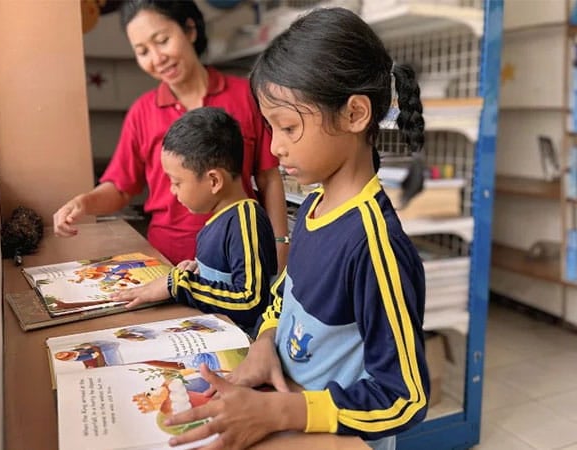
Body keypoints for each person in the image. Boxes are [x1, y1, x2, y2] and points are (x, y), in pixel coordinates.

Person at [164, 8, 429, 450]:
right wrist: (266, 340)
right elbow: (284, 295)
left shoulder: (374, 244)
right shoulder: (312, 208)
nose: (274, 147)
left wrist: (281, 412)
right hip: (285, 415)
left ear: (354, 113)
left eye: (288, 127)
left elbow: (404, 398)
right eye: (271, 128)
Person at [53, 0, 288, 267]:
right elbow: (120, 188)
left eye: (162, 40)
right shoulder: (142, 112)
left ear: (190, 30)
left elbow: (269, 178)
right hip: (167, 259)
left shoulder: (245, 95)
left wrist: (280, 243)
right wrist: (83, 203)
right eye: (143, 51)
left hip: (240, 253)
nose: (157, 59)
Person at [111, 107, 277, 332]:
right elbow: (224, 276)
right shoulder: (219, 219)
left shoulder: (245, 221)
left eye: (176, 182)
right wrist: (198, 273)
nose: (172, 191)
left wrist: (180, 284)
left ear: (214, 181)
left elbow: (251, 301)